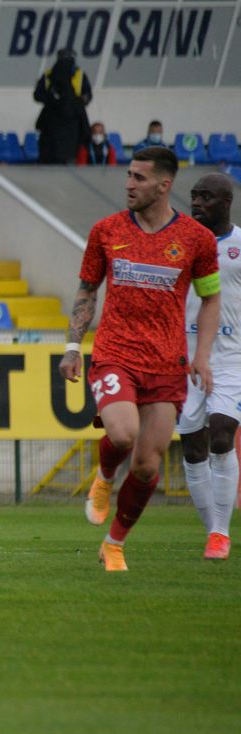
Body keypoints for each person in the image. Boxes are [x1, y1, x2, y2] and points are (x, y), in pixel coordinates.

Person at [60, 147, 220, 572]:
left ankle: (114, 544)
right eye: (129, 175)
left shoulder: (197, 239)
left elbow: (210, 299)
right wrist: (73, 347)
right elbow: (87, 290)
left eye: (139, 178)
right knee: (124, 433)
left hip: (167, 364)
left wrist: (202, 356)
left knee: (148, 466)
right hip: (116, 353)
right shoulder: (106, 230)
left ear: (164, 185)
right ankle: (105, 477)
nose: (129, 184)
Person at [177, 174, 240, 560]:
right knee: (192, 446)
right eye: (194, 196)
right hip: (186, 357)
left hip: (231, 356)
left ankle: (220, 533)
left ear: (226, 202)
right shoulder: (180, 244)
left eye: (207, 197)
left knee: (221, 434)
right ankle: (213, 530)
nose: (197, 202)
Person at [33, 48, 91, 164]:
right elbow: (38, 95)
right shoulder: (49, 75)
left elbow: (87, 95)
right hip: (60, 122)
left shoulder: (78, 75)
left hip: (64, 122)